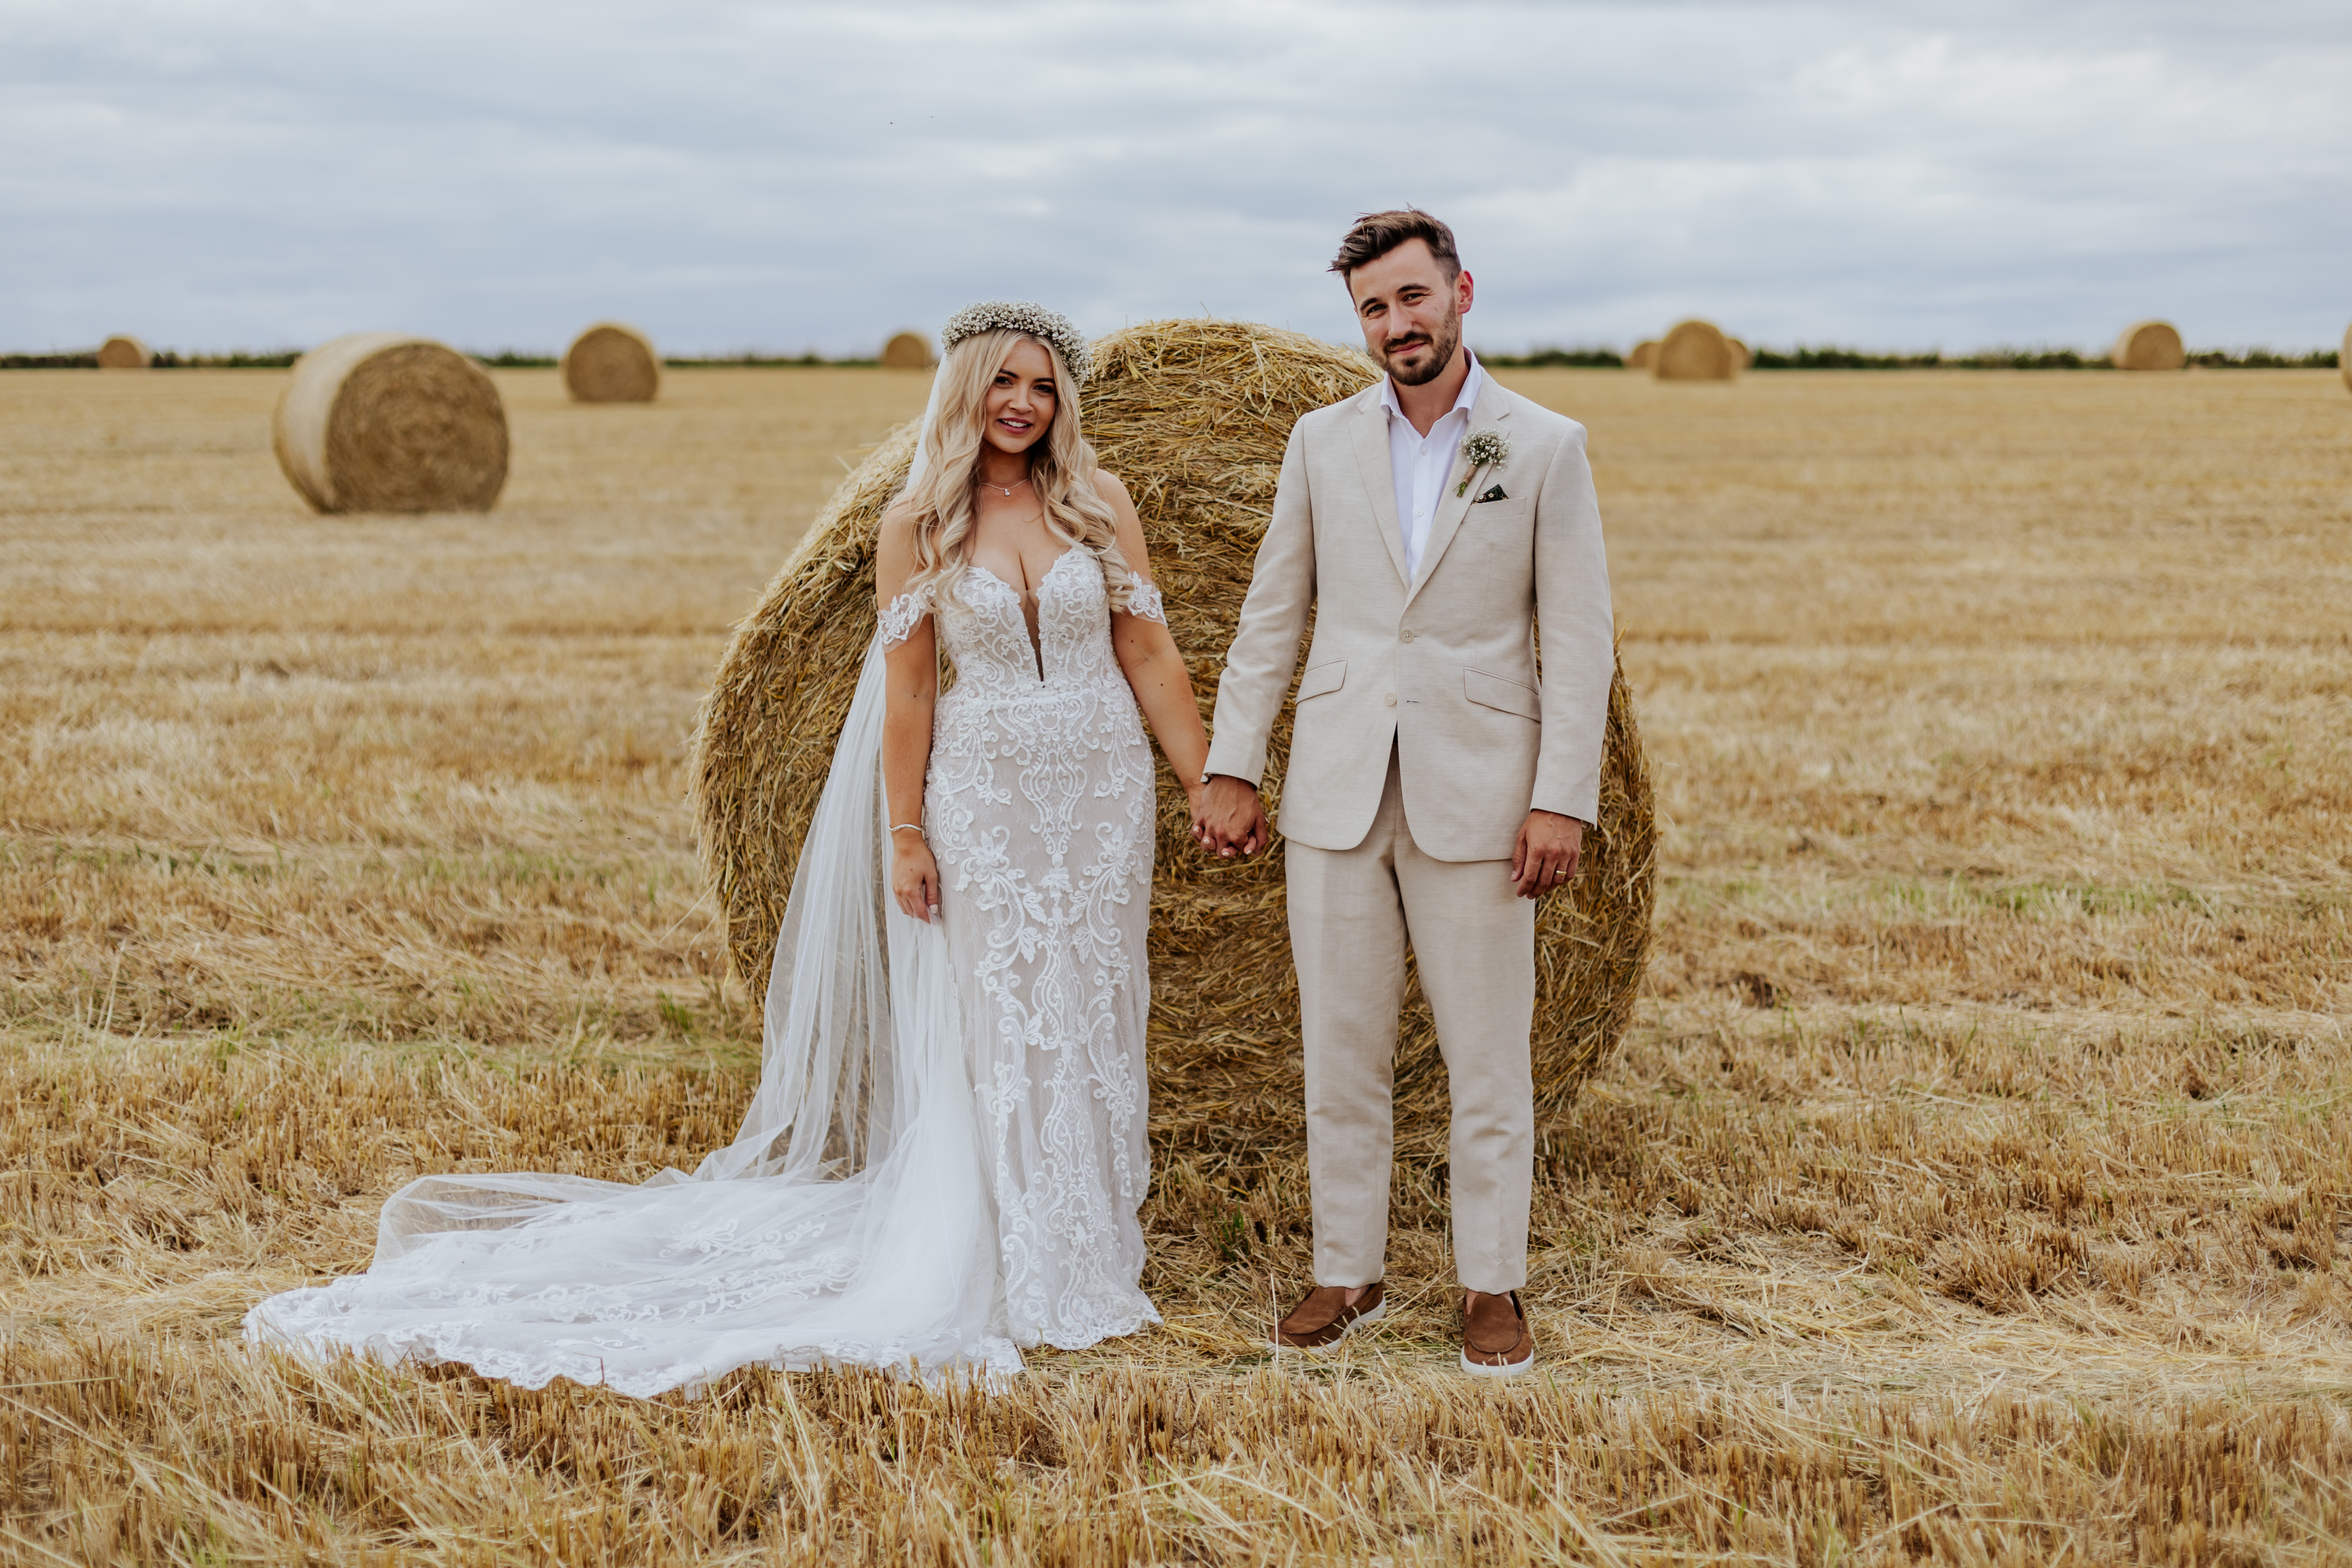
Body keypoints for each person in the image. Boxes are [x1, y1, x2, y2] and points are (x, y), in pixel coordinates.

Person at [245, 302, 1211, 1394]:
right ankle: (1014, 1254)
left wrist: (1203, 779)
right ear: (967, 391)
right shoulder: (918, 525)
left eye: (1042, 386)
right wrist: (905, 830)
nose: (1023, 404)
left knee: (1090, 1002)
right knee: (997, 1014)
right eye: (1004, 382)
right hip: (982, 796)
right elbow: (906, 695)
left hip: (1098, 795)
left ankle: (1088, 1246)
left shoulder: (1101, 504)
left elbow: (1150, 650)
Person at [1193, 211, 1615, 1378]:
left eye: (1413, 298)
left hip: (1481, 793)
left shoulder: (1543, 446)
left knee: (1489, 1056)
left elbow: (1580, 643)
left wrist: (1562, 798)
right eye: (1374, 308)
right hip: (1333, 787)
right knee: (1339, 1048)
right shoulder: (1320, 441)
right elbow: (1273, 614)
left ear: (1462, 292)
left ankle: (1492, 1282)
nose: (1397, 325)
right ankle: (1350, 1269)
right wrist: (1233, 762)